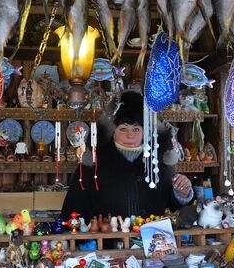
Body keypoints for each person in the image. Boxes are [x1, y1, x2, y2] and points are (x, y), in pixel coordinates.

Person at [61, 91, 193, 220]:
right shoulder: (93, 162)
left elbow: (173, 205)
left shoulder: (158, 161)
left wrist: (182, 193)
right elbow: (73, 207)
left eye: (136, 129)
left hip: (150, 240)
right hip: (106, 240)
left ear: (145, 131)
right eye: (123, 129)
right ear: (113, 130)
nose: (130, 135)